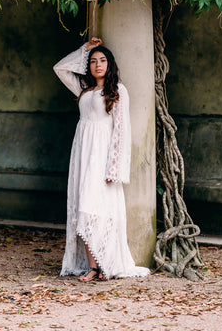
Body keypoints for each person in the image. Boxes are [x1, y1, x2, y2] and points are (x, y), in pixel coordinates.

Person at [53, 37, 150, 281]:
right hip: (82, 154)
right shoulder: (84, 90)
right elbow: (60, 69)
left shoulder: (117, 90)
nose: (98, 64)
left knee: (98, 209)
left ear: (110, 64)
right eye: (94, 61)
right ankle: (93, 266)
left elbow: (121, 131)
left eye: (102, 60)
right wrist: (84, 50)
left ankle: (105, 264)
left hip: (103, 155)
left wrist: (115, 168)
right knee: (82, 208)